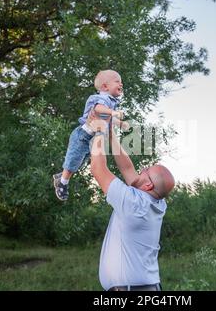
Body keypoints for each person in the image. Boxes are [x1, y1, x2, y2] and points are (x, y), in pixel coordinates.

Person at [88, 117, 175, 291]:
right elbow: (127, 168)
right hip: (148, 287)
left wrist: (98, 131)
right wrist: (110, 132)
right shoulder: (157, 202)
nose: (140, 170)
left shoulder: (133, 203)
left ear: (148, 184)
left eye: (145, 171)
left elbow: (98, 169)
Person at [53, 70, 129, 201]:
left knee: (79, 162)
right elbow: (98, 109)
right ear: (105, 87)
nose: (121, 84)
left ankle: (61, 176)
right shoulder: (101, 99)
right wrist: (113, 112)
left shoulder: (111, 102)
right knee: (74, 159)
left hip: (89, 139)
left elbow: (107, 118)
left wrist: (120, 123)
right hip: (82, 135)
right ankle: (62, 183)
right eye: (117, 81)